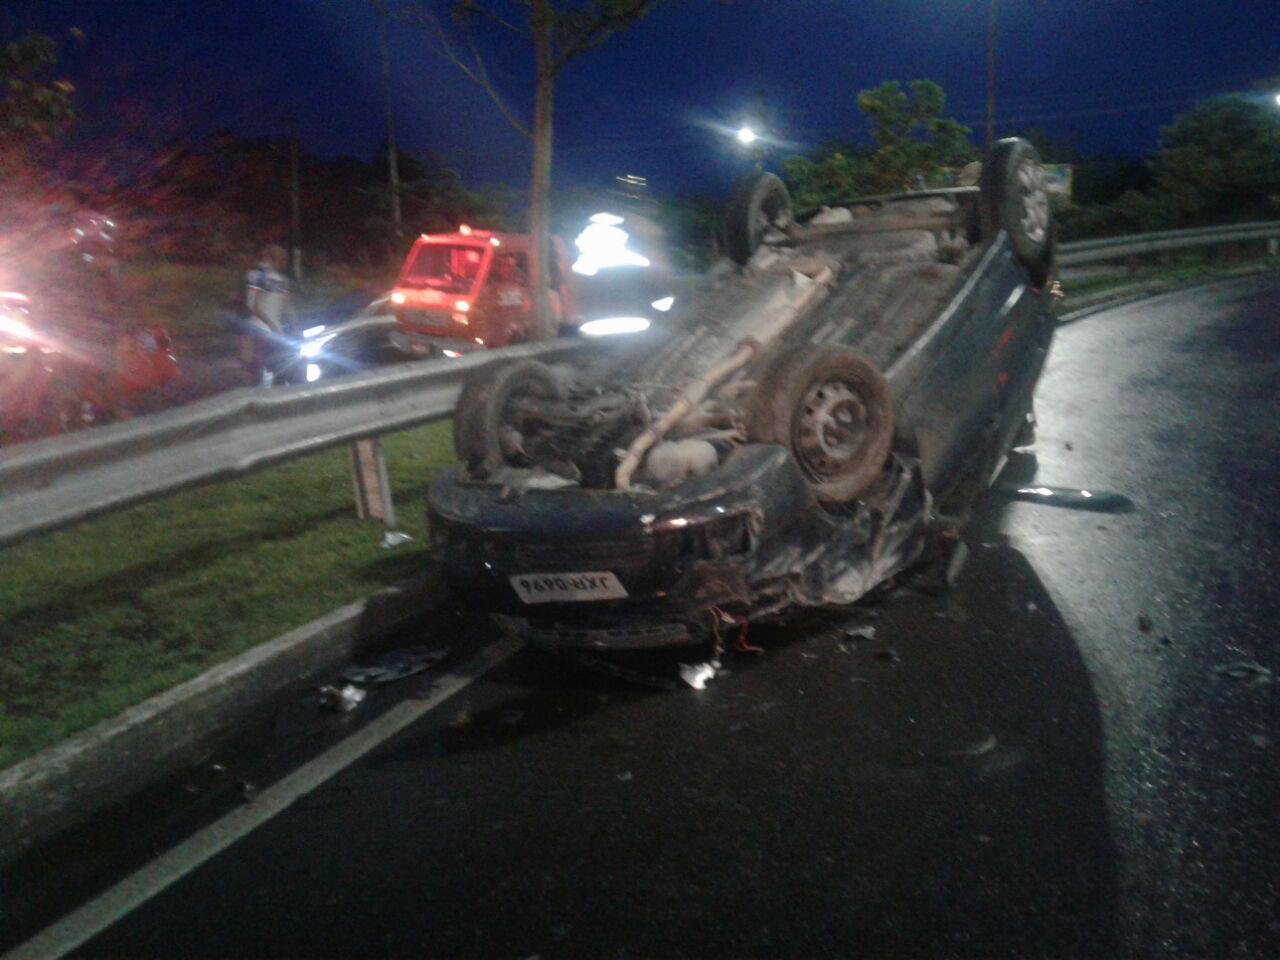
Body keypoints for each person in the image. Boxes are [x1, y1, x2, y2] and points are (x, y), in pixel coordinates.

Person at [241, 243, 292, 384]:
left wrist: (295, 324)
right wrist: (270, 324)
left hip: (276, 332)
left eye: (285, 258)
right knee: (258, 372)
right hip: (260, 331)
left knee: (280, 373)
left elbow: (287, 306)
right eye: (281, 258)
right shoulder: (259, 277)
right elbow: (252, 305)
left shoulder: (283, 281)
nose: (284, 261)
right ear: (271, 258)